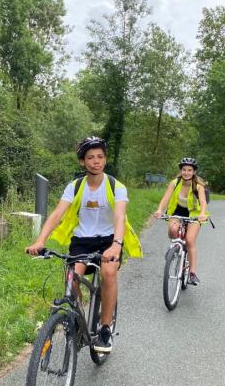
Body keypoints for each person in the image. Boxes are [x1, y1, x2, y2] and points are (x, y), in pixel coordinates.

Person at [26, 136, 142, 353]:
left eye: (100, 157)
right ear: (82, 162)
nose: (96, 161)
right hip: (82, 241)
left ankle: (105, 328)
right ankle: (77, 319)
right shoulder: (76, 186)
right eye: (90, 157)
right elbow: (57, 214)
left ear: (105, 160)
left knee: (108, 273)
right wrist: (40, 240)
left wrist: (116, 245)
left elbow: (119, 217)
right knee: (71, 277)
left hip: (108, 240)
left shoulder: (117, 186)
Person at [153, 157, 208, 286]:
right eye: (184, 170)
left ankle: (192, 273)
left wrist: (202, 214)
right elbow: (166, 198)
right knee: (173, 230)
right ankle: (174, 246)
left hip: (194, 214)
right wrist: (160, 210)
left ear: (194, 172)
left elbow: (203, 202)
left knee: (189, 240)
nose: (186, 172)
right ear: (181, 171)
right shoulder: (175, 182)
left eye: (190, 170)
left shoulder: (198, 186)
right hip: (177, 212)